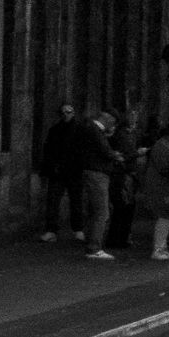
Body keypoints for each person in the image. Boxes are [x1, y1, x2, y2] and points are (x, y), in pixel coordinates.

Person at [69, 109, 121, 260]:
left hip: (91, 172)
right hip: (97, 173)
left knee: (96, 209)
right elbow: (105, 151)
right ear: (109, 119)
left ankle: (92, 242)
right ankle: (94, 247)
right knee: (101, 211)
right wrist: (114, 155)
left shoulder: (88, 129)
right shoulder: (94, 130)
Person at [141, 119, 169, 261]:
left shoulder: (164, 144)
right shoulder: (164, 146)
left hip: (162, 184)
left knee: (167, 214)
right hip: (161, 185)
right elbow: (166, 168)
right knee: (165, 214)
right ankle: (159, 248)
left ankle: (162, 247)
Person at [38, 102, 81, 243]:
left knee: (76, 201)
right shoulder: (55, 130)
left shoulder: (79, 130)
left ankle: (78, 229)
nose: (66, 115)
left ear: (73, 113)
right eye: (63, 113)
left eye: (68, 112)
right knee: (53, 201)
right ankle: (51, 230)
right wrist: (50, 167)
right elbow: (49, 150)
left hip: (74, 170)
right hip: (58, 171)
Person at [106, 114, 142, 252]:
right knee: (123, 207)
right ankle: (118, 238)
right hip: (123, 174)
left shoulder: (126, 135)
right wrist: (137, 153)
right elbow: (125, 156)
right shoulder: (123, 136)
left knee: (124, 207)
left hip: (124, 173)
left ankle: (120, 237)